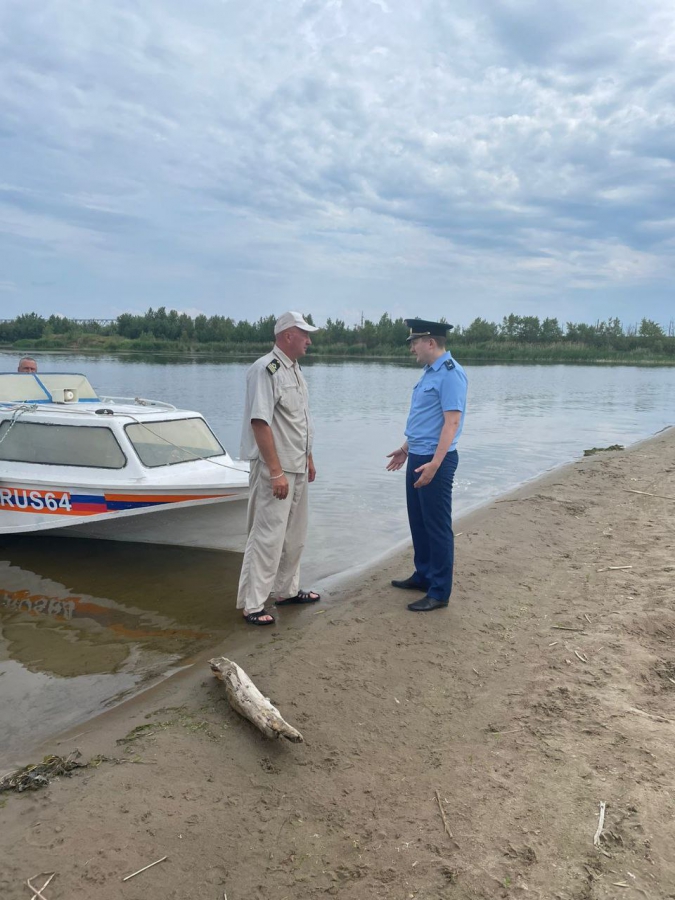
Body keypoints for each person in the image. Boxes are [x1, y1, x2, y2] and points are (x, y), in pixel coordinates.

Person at [236, 311, 322, 625]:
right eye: (304, 334)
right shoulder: (266, 369)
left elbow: (298, 419)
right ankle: (253, 604)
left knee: (295, 535)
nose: (309, 341)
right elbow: (260, 422)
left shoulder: (294, 369)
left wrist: (309, 457)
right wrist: (275, 471)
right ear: (288, 335)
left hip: (297, 465)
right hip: (277, 468)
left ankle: (286, 591)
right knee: (267, 536)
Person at [386, 319, 468, 612]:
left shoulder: (451, 374)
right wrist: (405, 449)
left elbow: (451, 423)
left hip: (436, 460)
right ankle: (423, 575)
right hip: (418, 455)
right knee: (419, 521)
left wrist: (435, 463)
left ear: (430, 342)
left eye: (415, 343)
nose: (412, 349)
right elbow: (425, 421)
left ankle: (439, 591)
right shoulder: (429, 372)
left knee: (436, 525)